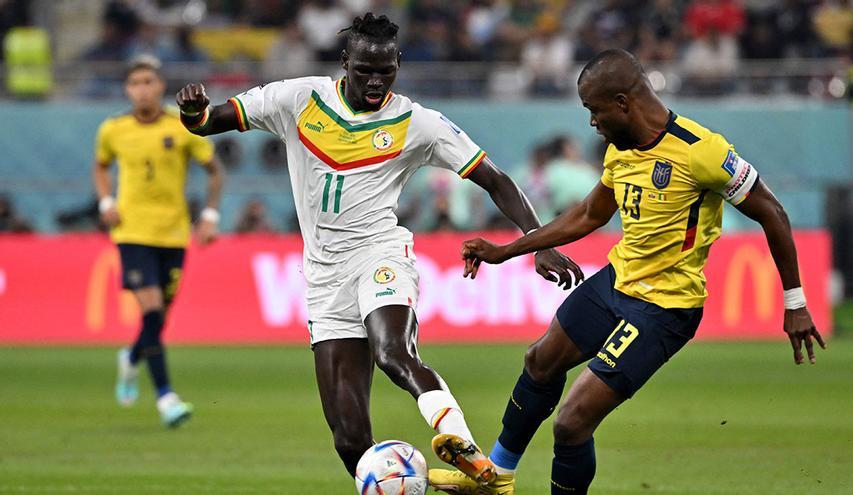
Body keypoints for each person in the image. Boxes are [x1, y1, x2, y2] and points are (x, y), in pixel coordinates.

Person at [175, 12, 581, 481]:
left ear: (398, 64)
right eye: (364, 69)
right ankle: (420, 483)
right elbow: (209, 121)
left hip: (380, 254)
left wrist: (538, 243)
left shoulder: (417, 122)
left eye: (386, 71)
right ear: (344, 61)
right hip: (325, 278)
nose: (375, 80)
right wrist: (193, 111)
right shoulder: (296, 98)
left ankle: (465, 447)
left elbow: (494, 179)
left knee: (394, 354)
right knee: (350, 441)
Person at [430, 49, 825, 494]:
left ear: (621, 102)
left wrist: (796, 301)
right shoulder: (621, 150)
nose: (592, 122)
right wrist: (511, 249)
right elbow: (588, 214)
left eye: (593, 110)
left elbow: (772, 211)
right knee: (539, 362)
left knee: (572, 423)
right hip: (615, 283)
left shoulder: (702, 151)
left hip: (664, 308)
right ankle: (494, 477)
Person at [93, 56, 225, 428]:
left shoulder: (181, 125)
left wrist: (211, 215)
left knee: (159, 318)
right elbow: (101, 165)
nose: (143, 89)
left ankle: (132, 357)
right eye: (135, 83)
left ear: (160, 86)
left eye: (149, 81)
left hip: (173, 233)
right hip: (132, 233)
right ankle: (167, 397)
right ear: (127, 89)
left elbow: (214, 170)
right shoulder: (113, 129)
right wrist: (106, 202)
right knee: (151, 312)